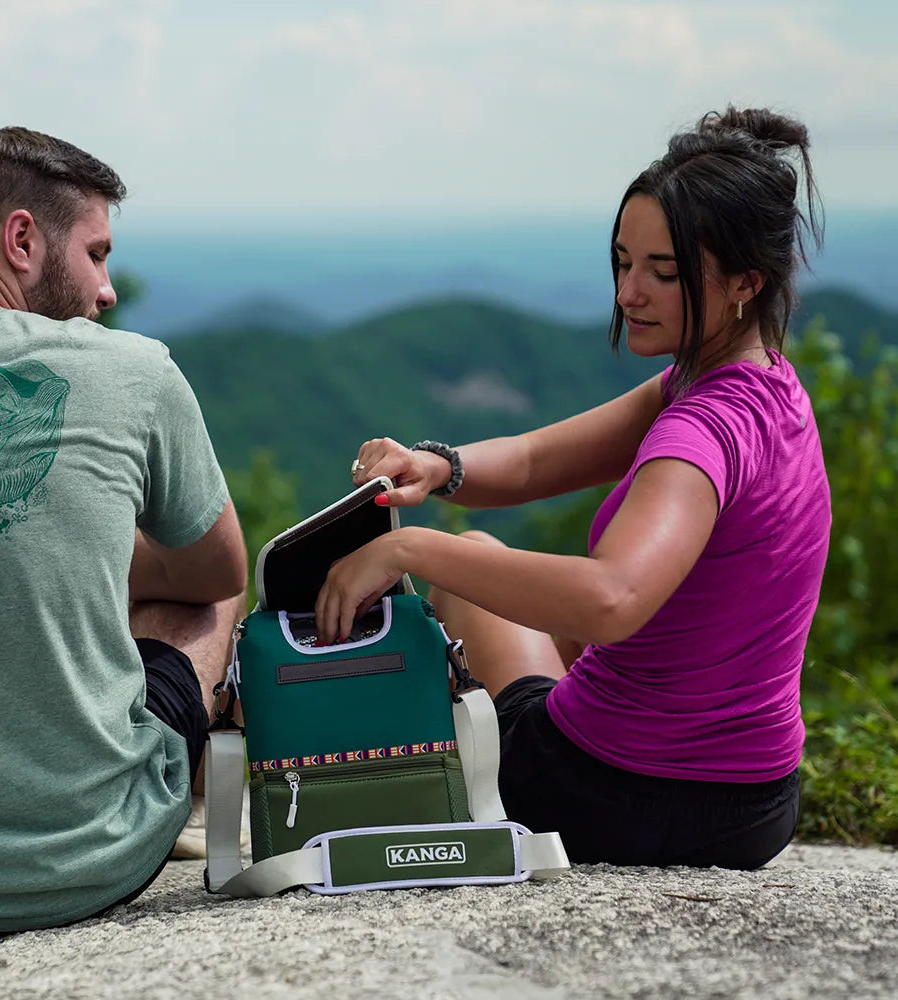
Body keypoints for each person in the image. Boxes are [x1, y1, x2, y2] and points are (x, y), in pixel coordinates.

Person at [315, 107, 831, 870]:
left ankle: (399, 780)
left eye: (664, 272)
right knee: (522, 595)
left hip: (609, 795)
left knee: (472, 567)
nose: (630, 292)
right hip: (757, 804)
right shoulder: (761, 390)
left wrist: (411, 550)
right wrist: (440, 466)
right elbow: (530, 461)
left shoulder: (700, 432)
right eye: (624, 262)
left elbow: (611, 599)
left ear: (744, 284)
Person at [0, 127, 247, 944]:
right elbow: (218, 569)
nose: (107, 290)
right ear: (22, 240)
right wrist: (88, 556)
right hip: (90, 858)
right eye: (95, 253)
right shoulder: (135, 369)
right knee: (211, 591)